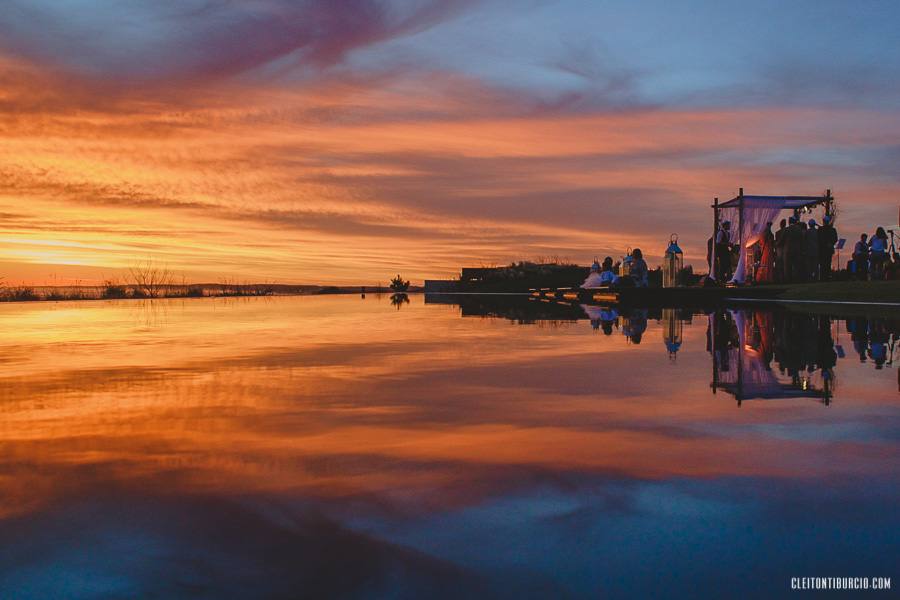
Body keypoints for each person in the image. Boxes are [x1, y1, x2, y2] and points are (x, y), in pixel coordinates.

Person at [778, 216, 804, 283]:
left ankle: (787, 279)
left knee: (786, 265)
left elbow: (781, 240)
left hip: (788, 249)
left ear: (789, 222)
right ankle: (796, 279)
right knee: (796, 265)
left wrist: (777, 244)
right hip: (797, 249)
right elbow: (802, 241)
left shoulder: (786, 230)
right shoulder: (799, 230)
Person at [817, 215, 838, 281]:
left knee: (822, 264)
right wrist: (831, 243)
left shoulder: (820, 230)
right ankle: (827, 276)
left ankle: (823, 277)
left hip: (822, 249)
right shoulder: (833, 230)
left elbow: (818, 239)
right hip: (829, 249)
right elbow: (835, 239)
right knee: (828, 263)